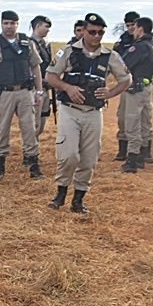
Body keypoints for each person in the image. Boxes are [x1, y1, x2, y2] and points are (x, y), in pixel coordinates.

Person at [45, 13, 132, 214]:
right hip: (70, 111)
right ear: (83, 31)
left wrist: (110, 92)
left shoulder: (110, 56)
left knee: (89, 158)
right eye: (92, 32)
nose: (96, 36)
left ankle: (78, 199)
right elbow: (50, 76)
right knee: (68, 155)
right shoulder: (68, 51)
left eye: (101, 32)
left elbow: (126, 79)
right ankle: (60, 193)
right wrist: (67, 87)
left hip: (93, 112)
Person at [0, 10, 45, 179]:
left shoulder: (27, 43)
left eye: (12, 23)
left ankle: (33, 166)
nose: (9, 26)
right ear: (1, 24)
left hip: (25, 92)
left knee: (29, 128)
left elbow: (35, 66)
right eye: (6, 23)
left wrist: (39, 91)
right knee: (2, 129)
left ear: (17, 24)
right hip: (5, 94)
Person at [119, 17, 153, 173]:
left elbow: (123, 64)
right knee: (144, 122)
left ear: (141, 29)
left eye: (134, 28)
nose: (133, 31)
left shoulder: (139, 47)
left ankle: (132, 159)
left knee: (132, 123)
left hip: (135, 89)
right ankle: (142, 156)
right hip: (146, 88)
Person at [112, 11, 140, 161]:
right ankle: (122, 150)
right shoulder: (123, 41)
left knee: (138, 119)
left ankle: (140, 152)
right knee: (122, 117)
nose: (130, 28)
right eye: (127, 25)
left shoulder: (145, 40)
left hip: (140, 86)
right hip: (125, 84)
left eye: (133, 25)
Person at [29, 15, 54, 137]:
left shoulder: (45, 44)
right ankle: (31, 150)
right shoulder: (29, 44)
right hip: (35, 87)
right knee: (35, 121)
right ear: (37, 26)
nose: (48, 30)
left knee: (43, 118)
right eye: (46, 26)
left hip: (45, 87)